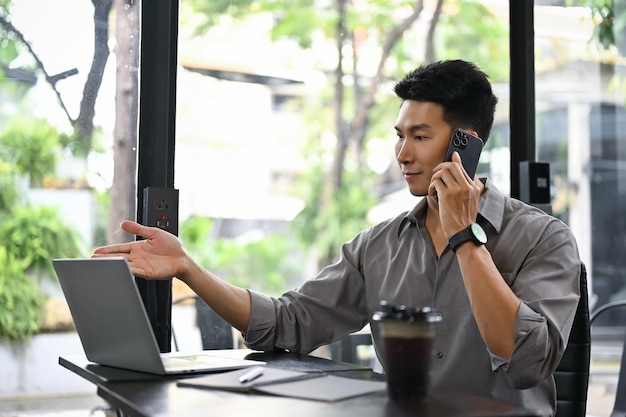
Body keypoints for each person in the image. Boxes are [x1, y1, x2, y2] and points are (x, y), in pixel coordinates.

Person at [92, 59, 581, 417]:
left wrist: (463, 235)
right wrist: (187, 268)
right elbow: (290, 322)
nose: (402, 154)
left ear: (465, 146)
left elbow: (527, 360)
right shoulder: (379, 245)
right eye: (399, 134)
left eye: (420, 136)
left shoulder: (543, 239)